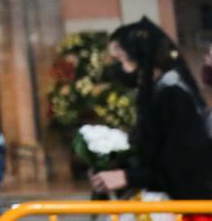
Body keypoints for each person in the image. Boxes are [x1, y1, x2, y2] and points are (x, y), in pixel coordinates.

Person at [90, 18, 212, 215]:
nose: (117, 67)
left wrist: (129, 177)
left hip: (183, 209)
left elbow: (182, 164)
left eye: (120, 59)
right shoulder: (155, 93)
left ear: (139, 55)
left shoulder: (173, 95)